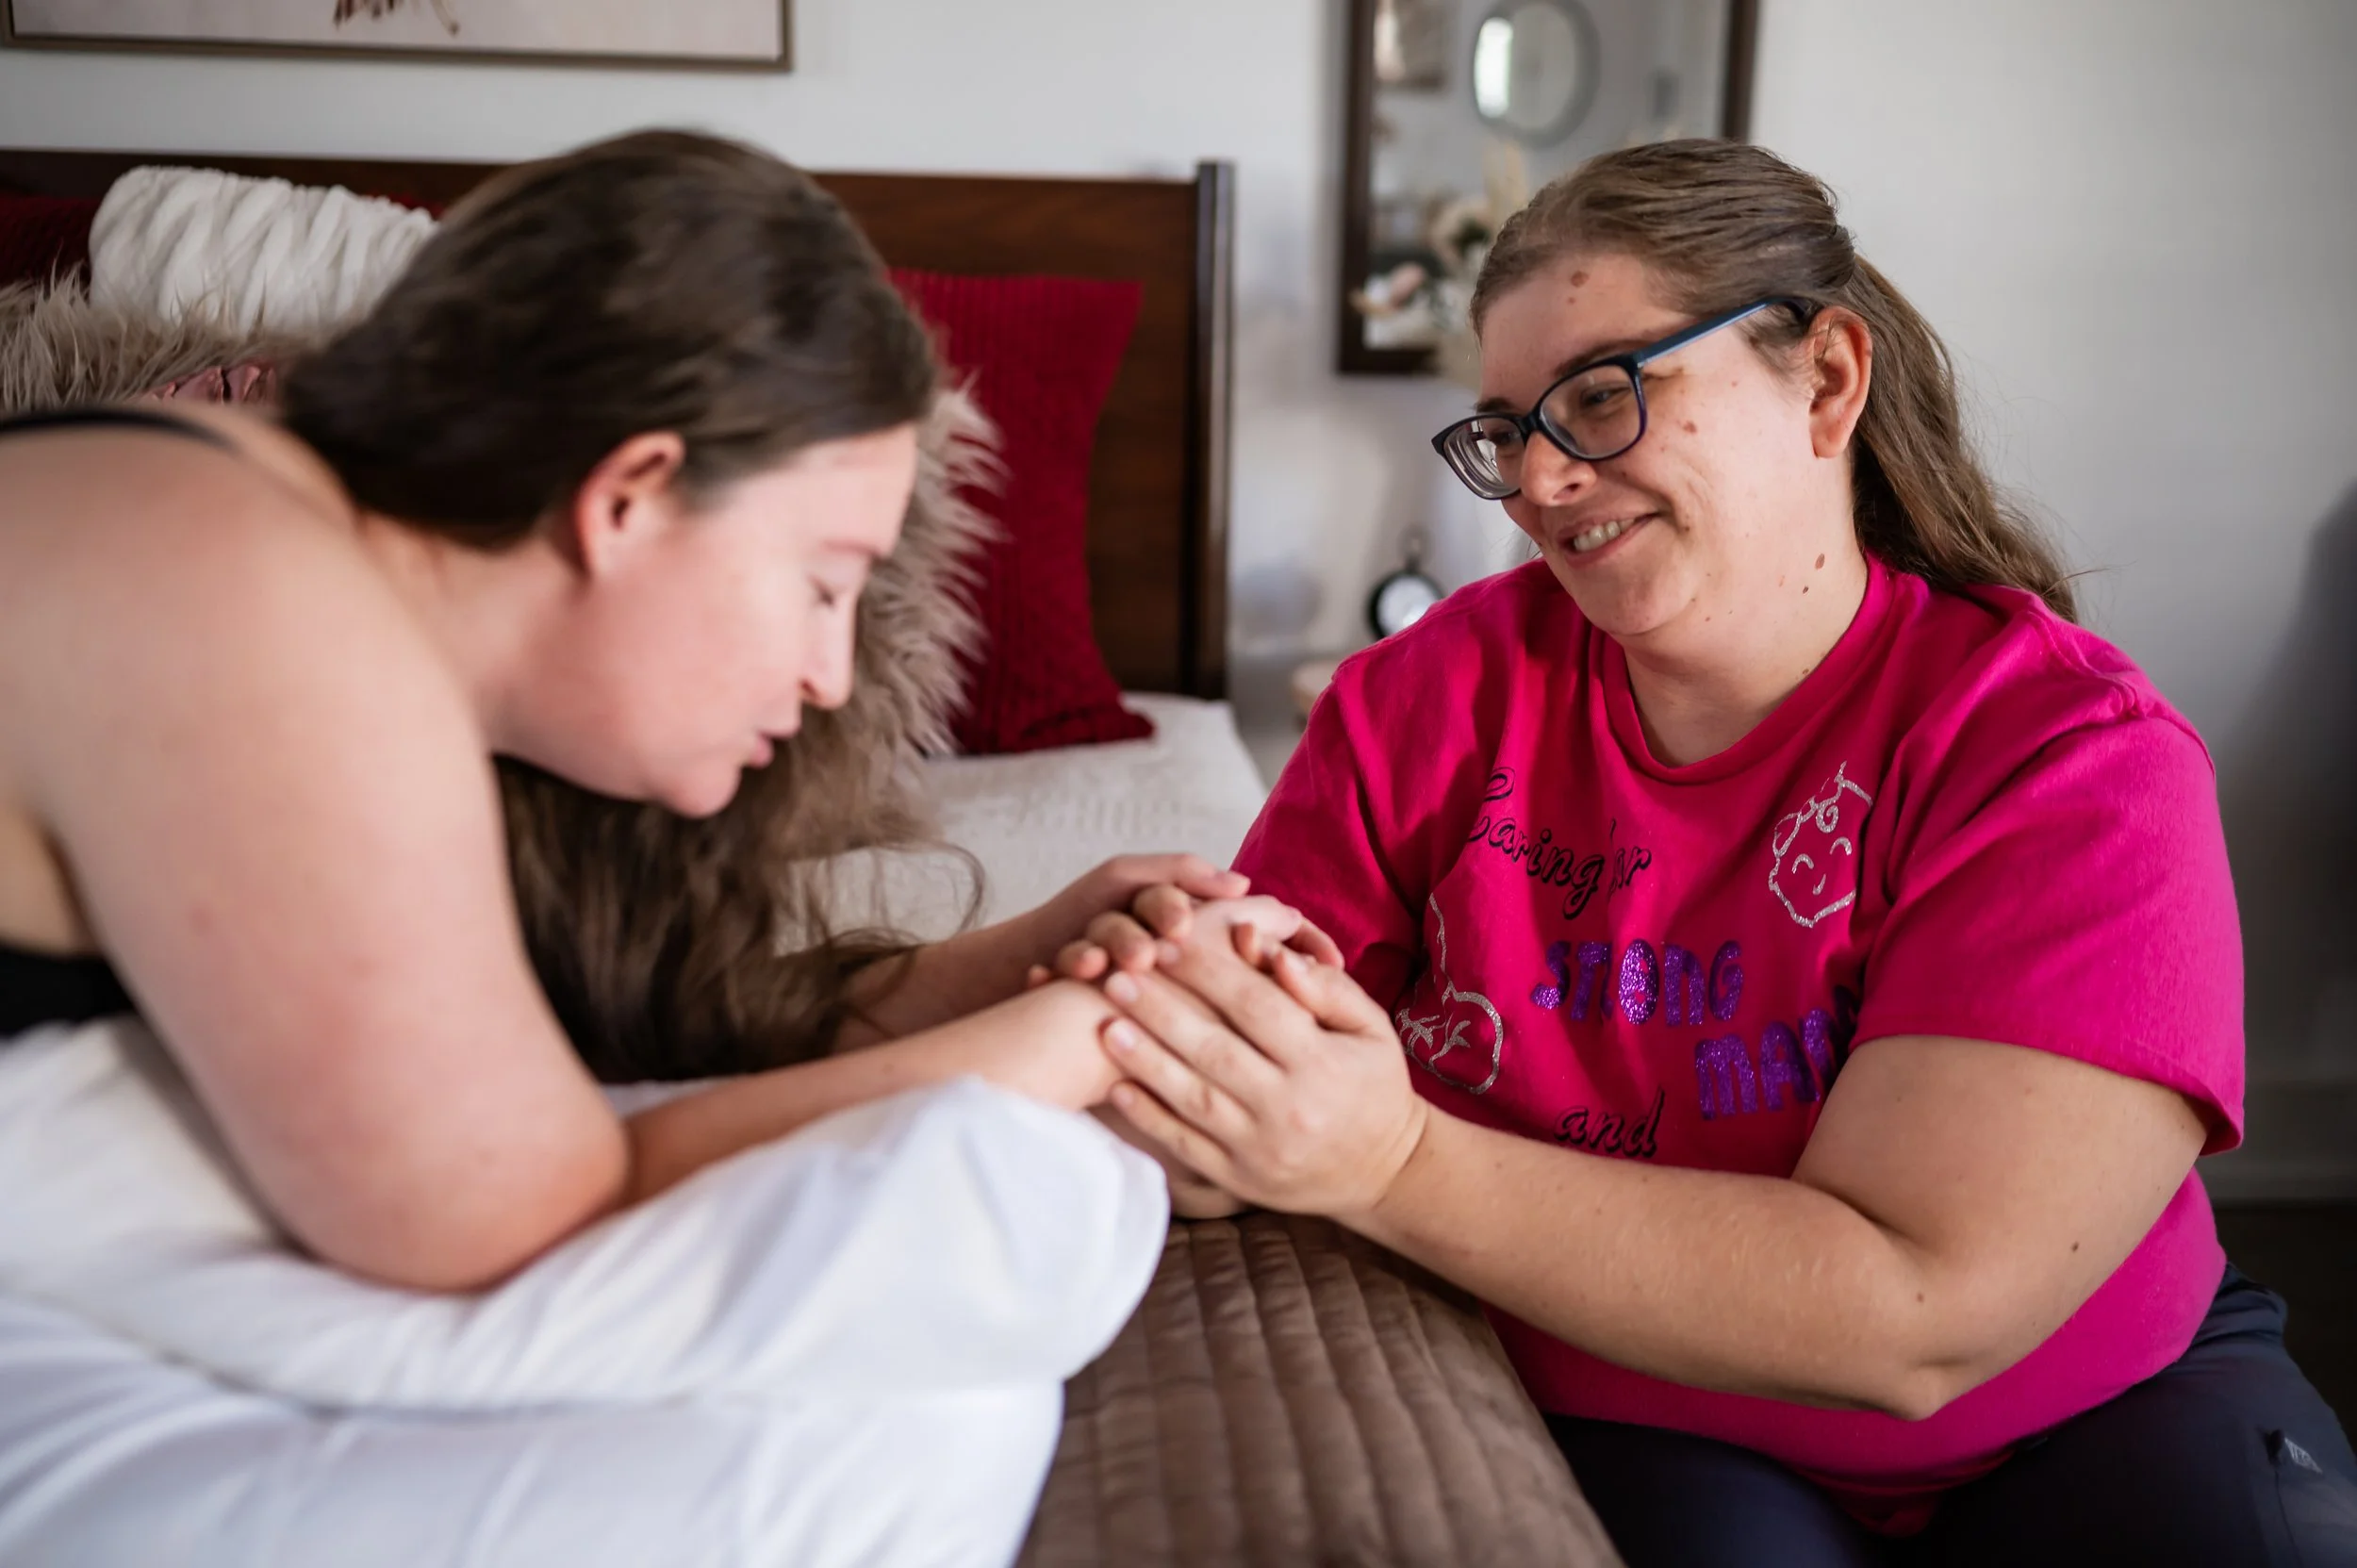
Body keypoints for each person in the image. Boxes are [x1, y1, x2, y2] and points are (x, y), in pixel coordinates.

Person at [1056, 140, 2357, 1565]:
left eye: (1606, 396)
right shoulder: (1415, 704)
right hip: (1659, 1413)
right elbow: (1214, 1065)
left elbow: (1920, 1309)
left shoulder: (2065, 756)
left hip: (2100, 1402)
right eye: (1504, 430)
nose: (1541, 479)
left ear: (1828, 382)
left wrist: (1389, 1157)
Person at [0, 128, 1314, 1295]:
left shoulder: (290, 538)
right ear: (628, 495)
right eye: (822, 583)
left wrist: (1006, 965)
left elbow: (597, 1032)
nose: (834, 678)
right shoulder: (274, 621)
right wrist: (1089, 1036)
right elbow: (522, 1211)